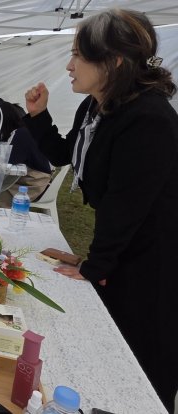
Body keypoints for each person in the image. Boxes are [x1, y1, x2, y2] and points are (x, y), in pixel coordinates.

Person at [23, 9, 178, 412]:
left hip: (157, 263)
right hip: (128, 250)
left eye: (79, 56)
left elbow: (128, 205)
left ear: (114, 62)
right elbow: (66, 154)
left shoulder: (149, 118)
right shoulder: (97, 107)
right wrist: (38, 117)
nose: (69, 66)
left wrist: (96, 266)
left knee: (141, 359)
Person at [0, 97, 52, 207]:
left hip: (34, 182)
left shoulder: (21, 134)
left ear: (2, 122)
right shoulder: (20, 131)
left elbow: (8, 161)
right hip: (32, 178)